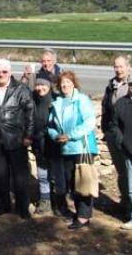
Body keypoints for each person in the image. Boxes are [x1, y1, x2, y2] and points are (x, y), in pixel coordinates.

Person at [0, 58, 34, 219]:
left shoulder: (21, 89)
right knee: (0, 176)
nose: (1, 75)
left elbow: (30, 114)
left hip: (17, 140)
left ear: (10, 73)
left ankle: (22, 207)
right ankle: (4, 204)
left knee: (20, 177)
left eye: (4, 72)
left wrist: (28, 136)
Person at [48, 71, 98, 229]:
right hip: (66, 148)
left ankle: (84, 216)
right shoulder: (58, 102)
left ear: (74, 83)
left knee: (83, 182)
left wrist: (70, 135)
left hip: (82, 147)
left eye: (68, 82)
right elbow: (51, 125)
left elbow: (89, 123)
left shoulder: (82, 100)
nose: (65, 85)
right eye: (62, 83)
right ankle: (79, 213)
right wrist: (56, 136)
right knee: (72, 183)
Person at [101, 55, 130, 212]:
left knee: (129, 170)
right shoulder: (111, 85)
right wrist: (105, 128)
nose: (118, 70)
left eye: (121, 66)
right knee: (121, 171)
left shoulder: (130, 85)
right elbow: (106, 107)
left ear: (128, 66)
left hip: (128, 135)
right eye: (116, 67)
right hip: (113, 133)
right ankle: (124, 201)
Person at [31, 72, 59, 214]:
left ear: (49, 86)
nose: (39, 88)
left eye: (43, 85)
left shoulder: (56, 100)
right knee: (42, 174)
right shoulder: (32, 98)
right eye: (37, 84)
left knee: (54, 175)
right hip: (37, 143)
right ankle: (45, 200)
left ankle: (58, 202)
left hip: (53, 143)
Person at [112, 79, 132, 230]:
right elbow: (114, 124)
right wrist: (121, 140)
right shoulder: (120, 104)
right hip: (128, 150)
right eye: (131, 85)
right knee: (131, 188)